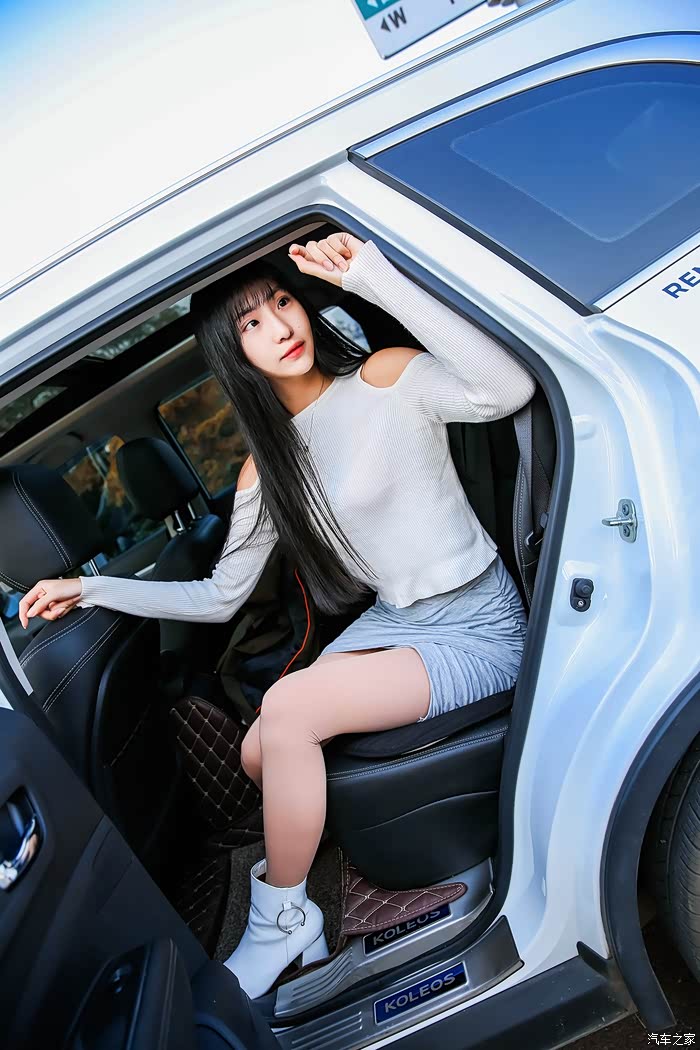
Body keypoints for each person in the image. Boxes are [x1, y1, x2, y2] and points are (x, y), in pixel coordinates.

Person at [19, 232, 535, 999]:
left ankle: (284, 919)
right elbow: (219, 596)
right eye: (251, 325)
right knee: (259, 747)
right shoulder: (267, 465)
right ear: (235, 357)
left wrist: (373, 277)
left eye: (282, 302)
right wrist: (92, 591)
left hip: (477, 621)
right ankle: (305, 876)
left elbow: (507, 390)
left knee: (289, 711)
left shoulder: (383, 379)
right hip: (399, 620)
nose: (279, 328)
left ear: (305, 303)